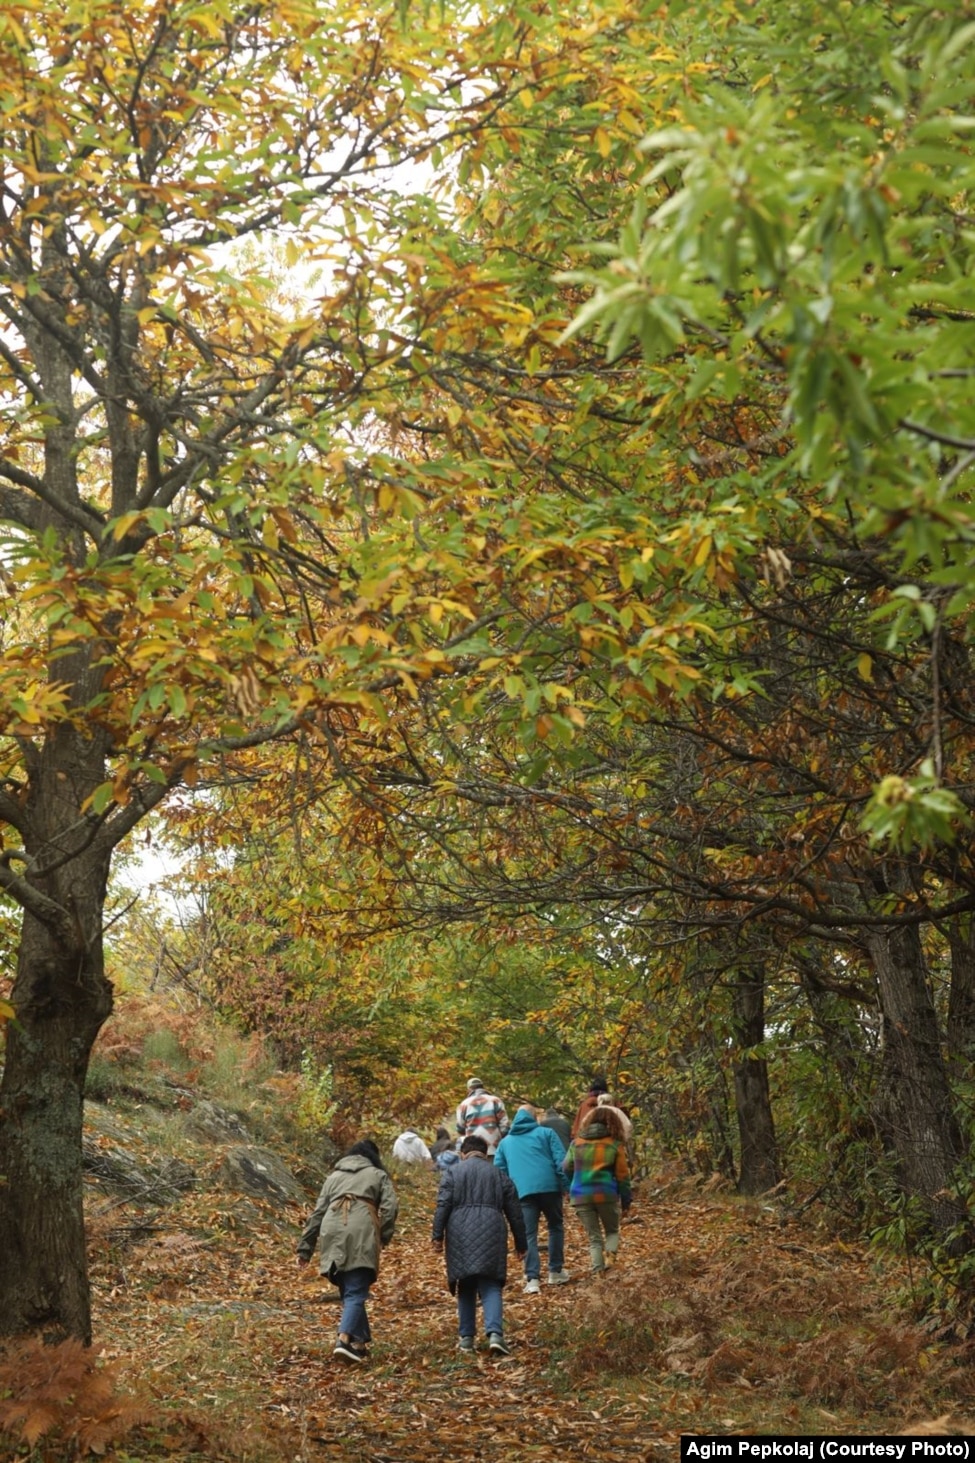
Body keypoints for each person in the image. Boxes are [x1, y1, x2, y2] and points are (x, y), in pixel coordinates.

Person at [296, 1138, 398, 1363]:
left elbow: (317, 1213)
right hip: (361, 1226)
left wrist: (305, 1249)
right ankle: (343, 1340)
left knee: (348, 1285)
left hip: (331, 1226)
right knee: (356, 1290)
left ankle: (359, 1343)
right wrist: (384, 1235)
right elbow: (390, 1207)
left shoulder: (333, 1177)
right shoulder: (377, 1175)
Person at [431, 1133, 527, 1356]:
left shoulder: (452, 1173)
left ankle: (466, 1340)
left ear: (462, 1153)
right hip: (492, 1227)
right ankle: (495, 1334)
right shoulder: (498, 1174)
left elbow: (443, 1205)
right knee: (491, 1283)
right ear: (485, 1154)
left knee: (465, 1283)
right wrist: (520, 1242)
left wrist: (437, 1236)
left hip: (459, 1230)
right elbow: (515, 1211)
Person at [494, 1103, 570, 1293]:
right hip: (549, 1188)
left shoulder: (505, 1143)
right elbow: (560, 1161)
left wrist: (506, 1196)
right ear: (534, 1117)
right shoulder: (546, 1134)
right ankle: (555, 1271)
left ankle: (533, 1279)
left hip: (522, 1192)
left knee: (529, 1235)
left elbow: (500, 1172)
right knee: (555, 1226)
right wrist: (566, 1186)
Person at [563, 1104, 631, 1276]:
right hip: (606, 1194)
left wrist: (574, 1183)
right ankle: (609, 1259)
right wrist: (626, 1200)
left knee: (594, 1238)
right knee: (612, 1230)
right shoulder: (614, 1144)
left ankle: (598, 1273)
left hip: (580, 1196)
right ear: (612, 1124)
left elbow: (566, 1167)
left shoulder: (576, 1143)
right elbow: (623, 1175)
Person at [455, 1076, 510, 1155]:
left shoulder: (464, 1104)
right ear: (482, 1087)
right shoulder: (495, 1101)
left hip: (472, 1150)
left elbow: (460, 1129)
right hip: (495, 1149)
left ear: (469, 1089)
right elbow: (505, 1127)